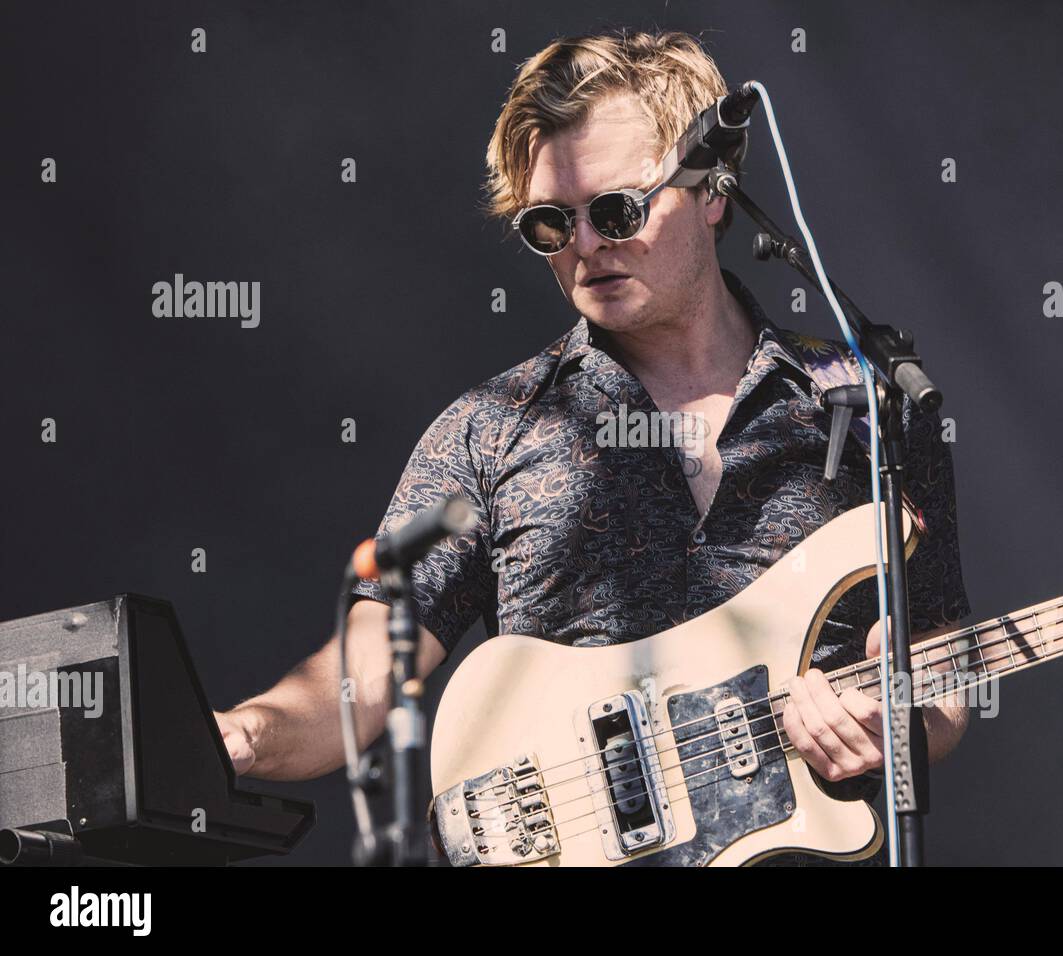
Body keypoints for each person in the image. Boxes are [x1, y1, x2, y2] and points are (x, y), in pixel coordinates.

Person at [216, 28, 971, 866]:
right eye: (550, 224)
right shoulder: (490, 428)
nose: (585, 244)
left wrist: (894, 726)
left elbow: (937, 666)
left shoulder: (866, 401)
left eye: (616, 210)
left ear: (713, 192)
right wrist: (244, 735)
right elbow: (365, 671)